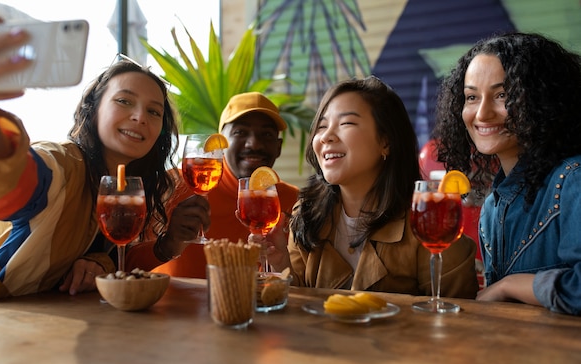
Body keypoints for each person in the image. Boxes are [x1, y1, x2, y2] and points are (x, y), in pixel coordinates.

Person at [0, 14, 208, 303]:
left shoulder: (127, 187)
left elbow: (119, 262)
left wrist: (109, 259)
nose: (140, 117)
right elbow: (6, 184)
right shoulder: (62, 164)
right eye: (124, 101)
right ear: (93, 109)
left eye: (154, 112)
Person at [265, 76, 478, 296]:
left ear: (385, 141)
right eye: (322, 126)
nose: (326, 136)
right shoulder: (308, 213)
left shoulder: (428, 221)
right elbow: (298, 308)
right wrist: (281, 263)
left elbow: (457, 315)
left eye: (346, 123)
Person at [435, 32, 581, 315]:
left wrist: (508, 285)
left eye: (503, 95)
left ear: (543, 99)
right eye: (472, 97)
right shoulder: (493, 205)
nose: (482, 113)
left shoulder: (573, 178)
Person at [152, 92, 299, 278]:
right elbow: (131, 262)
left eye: (267, 134)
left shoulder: (294, 202)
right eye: (240, 132)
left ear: (278, 147)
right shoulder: (170, 186)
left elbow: (301, 284)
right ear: (220, 142)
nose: (254, 144)